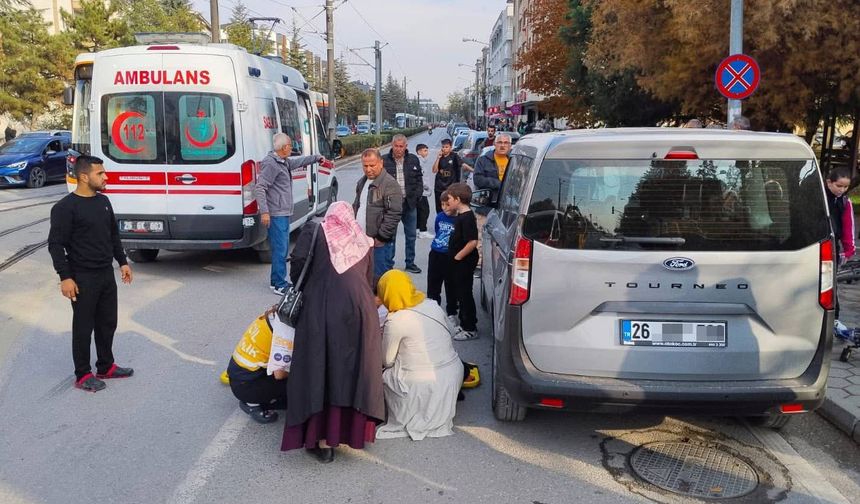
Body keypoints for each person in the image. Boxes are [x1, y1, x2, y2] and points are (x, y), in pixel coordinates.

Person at [281, 201, 385, 463]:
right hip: (360, 312)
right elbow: (370, 279)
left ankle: (323, 441)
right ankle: (349, 432)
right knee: (350, 371)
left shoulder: (315, 232)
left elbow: (297, 268)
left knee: (320, 368)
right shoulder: (362, 241)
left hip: (321, 310)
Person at [48, 155, 134, 392]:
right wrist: (65, 277)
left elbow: (113, 235)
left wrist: (123, 262)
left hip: (105, 273)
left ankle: (106, 366)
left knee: (108, 322)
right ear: (84, 177)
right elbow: (56, 245)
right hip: (82, 276)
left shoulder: (103, 202)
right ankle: (83, 374)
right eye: (100, 173)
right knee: (84, 326)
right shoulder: (65, 208)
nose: (105, 177)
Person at [375, 270, 464, 440]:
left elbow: (387, 360)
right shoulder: (431, 304)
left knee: (386, 374)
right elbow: (451, 333)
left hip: (418, 385)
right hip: (452, 375)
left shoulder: (396, 320)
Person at [255, 132, 326, 296]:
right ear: (283, 147)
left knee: (283, 248)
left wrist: (315, 158)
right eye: (290, 146)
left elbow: (297, 162)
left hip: (283, 211)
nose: (292, 148)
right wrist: (265, 212)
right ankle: (279, 284)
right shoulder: (271, 164)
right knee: (280, 249)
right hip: (276, 213)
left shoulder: (283, 161)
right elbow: (260, 187)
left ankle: (276, 281)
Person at [226, 306, 289, 424]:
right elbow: (280, 374)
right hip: (246, 386)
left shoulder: (277, 313)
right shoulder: (286, 332)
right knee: (304, 383)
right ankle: (254, 403)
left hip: (239, 375)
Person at [353, 148, 403, 281]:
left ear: (381, 163)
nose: (368, 169)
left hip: (379, 243)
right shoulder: (362, 182)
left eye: (372, 165)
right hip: (362, 241)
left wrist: (381, 237)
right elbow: (357, 206)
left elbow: (394, 213)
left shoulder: (390, 184)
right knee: (364, 277)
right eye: (365, 166)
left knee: (380, 279)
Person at [383, 134, 424, 274]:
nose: (399, 149)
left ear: (406, 146)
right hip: (391, 206)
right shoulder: (384, 161)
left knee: (411, 235)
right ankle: (389, 265)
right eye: (396, 146)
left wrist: (417, 196)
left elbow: (419, 179)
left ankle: (410, 263)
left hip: (409, 204)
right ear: (392, 145)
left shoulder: (413, 159)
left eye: (401, 146)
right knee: (390, 236)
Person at [472, 133, 512, 270]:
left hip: (507, 208)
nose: (502, 145)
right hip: (486, 206)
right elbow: (478, 179)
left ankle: (496, 268)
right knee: (481, 238)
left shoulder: (514, 161)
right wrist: (500, 184)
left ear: (510, 146)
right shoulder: (483, 160)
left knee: (502, 241)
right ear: (494, 144)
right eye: (500, 142)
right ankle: (479, 266)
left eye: (506, 143)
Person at [445, 183, 479, 341]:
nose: (448, 201)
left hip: (464, 262)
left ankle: (470, 327)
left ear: (458, 200)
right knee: (459, 291)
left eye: (450, 199)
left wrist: (457, 257)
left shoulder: (467, 218)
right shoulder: (460, 215)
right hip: (457, 262)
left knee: (465, 293)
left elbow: (472, 242)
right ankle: (463, 321)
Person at [825, 168, 856, 318]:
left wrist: (849, 249)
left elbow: (848, 227)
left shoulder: (845, 201)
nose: (842, 190)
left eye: (845, 187)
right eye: (839, 185)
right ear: (829, 182)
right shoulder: (819, 198)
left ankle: (834, 318)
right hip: (816, 243)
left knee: (830, 284)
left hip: (832, 246)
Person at [426, 190, 458, 327]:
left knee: (451, 285)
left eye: (447, 204)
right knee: (433, 283)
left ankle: (452, 312)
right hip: (436, 253)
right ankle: (434, 311)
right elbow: (438, 231)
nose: (444, 208)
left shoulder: (459, 219)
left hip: (449, 255)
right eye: (442, 204)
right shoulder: (439, 217)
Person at [432, 138, 462, 214]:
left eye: (446, 147)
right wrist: (438, 158)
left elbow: (462, 165)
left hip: (450, 188)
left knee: (451, 208)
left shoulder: (454, 156)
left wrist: (473, 170)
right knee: (439, 209)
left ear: (450, 148)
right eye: (443, 147)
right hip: (439, 187)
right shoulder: (440, 157)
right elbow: (434, 170)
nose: (444, 149)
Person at [415, 143, 435, 239]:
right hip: (421, 191)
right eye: (425, 150)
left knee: (420, 211)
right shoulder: (419, 162)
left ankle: (418, 229)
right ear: (419, 152)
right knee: (424, 211)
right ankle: (423, 230)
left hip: (419, 191)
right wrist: (427, 187)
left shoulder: (421, 161)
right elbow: (421, 178)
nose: (427, 152)